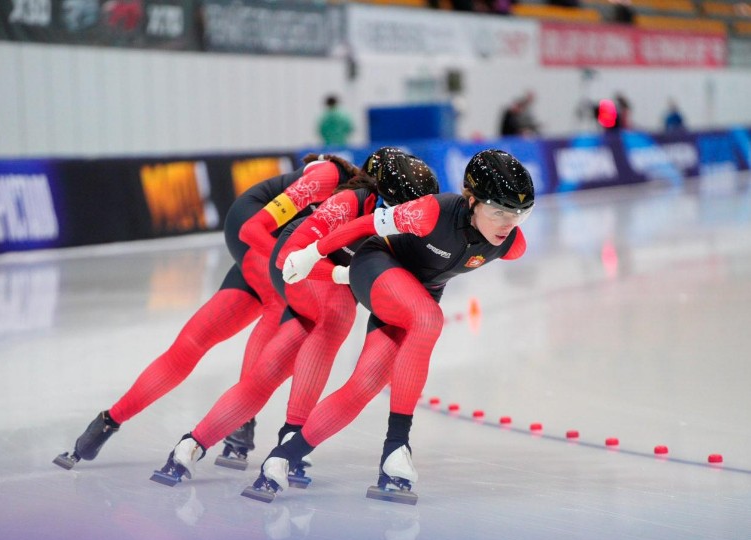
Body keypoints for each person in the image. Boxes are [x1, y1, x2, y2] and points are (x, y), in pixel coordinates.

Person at [245, 149, 534, 504]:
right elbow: (365, 225)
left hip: (413, 292)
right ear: (471, 201)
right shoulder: (432, 211)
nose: (509, 224)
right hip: (376, 267)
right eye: (499, 212)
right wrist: (311, 254)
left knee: (363, 386)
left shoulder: (512, 245)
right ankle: (398, 446)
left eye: (520, 214)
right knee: (429, 319)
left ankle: (281, 458)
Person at [53, 152, 360, 470]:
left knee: (191, 344)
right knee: (281, 306)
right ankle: (243, 421)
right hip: (254, 234)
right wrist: (293, 262)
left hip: (264, 251)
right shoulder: (329, 176)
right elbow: (256, 228)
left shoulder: (354, 209)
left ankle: (107, 422)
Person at [149, 151, 440, 487]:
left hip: (328, 283)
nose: (404, 220)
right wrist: (340, 275)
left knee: (269, 372)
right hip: (299, 270)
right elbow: (288, 256)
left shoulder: (420, 219)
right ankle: (292, 434)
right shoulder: (346, 203)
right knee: (338, 313)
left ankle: (190, 445)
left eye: (413, 212)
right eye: (396, 210)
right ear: (375, 196)